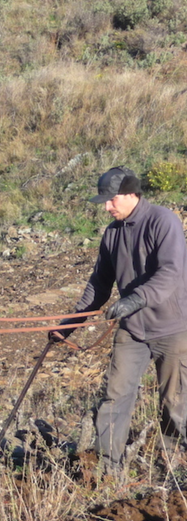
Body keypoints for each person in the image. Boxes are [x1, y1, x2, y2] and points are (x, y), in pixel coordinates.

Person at [50, 166, 187, 474]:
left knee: (175, 406)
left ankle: (174, 471)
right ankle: (107, 472)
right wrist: (67, 326)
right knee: (114, 399)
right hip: (133, 330)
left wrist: (135, 299)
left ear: (130, 194)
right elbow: (98, 285)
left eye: (111, 200)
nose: (107, 207)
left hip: (174, 329)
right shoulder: (112, 234)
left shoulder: (163, 221)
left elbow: (170, 273)